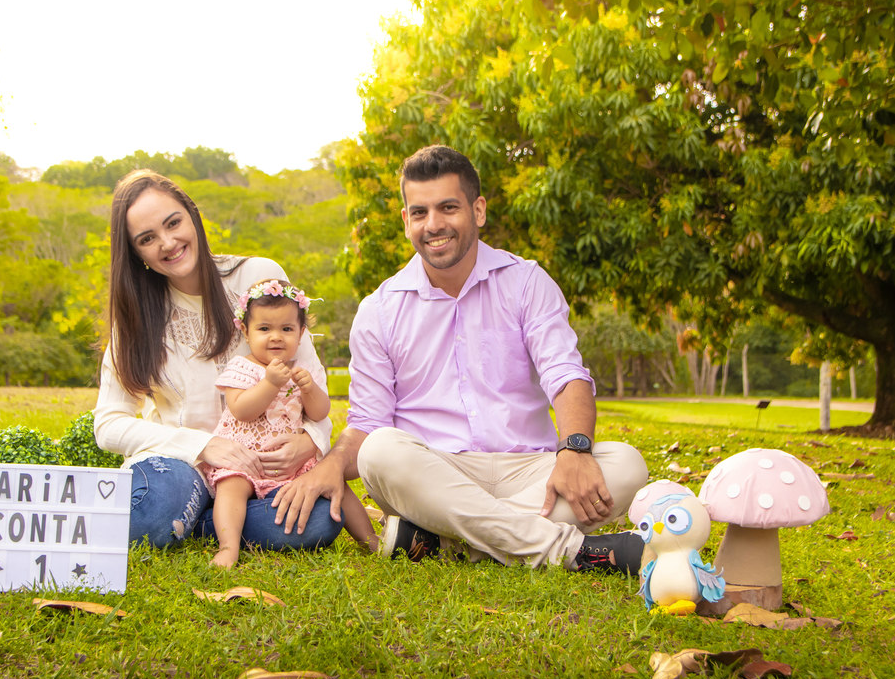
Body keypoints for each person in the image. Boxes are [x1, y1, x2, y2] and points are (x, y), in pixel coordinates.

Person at [274, 145, 648, 573]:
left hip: (529, 469)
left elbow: (566, 376)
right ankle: (567, 550)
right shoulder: (379, 309)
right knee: (381, 451)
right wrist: (333, 465)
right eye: (419, 212)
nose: (433, 225)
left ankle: (449, 543)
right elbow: (368, 425)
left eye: (448, 208)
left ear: (479, 210)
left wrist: (574, 450)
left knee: (626, 465)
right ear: (406, 219)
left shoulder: (526, 282)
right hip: (434, 470)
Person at [93, 169, 343, 553]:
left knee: (321, 519)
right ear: (136, 253)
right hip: (183, 470)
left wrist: (311, 442)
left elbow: (312, 382)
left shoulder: (259, 277)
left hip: (259, 474)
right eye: (147, 239)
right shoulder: (135, 318)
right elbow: (108, 425)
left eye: (173, 223)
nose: (168, 242)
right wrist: (203, 445)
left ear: (193, 216)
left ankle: (204, 523)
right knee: (158, 502)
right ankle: (202, 516)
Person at [202, 278, 378, 567]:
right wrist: (270, 384)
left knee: (336, 485)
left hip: (292, 466)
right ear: (246, 331)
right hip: (247, 460)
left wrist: (309, 390)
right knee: (230, 488)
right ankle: (227, 547)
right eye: (264, 329)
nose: (276, 337)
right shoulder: (242, 367)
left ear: (301, 333)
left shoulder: (303, 370)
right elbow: (241, 410)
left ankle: (370, 541)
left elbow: (320, 413)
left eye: (287, 329)